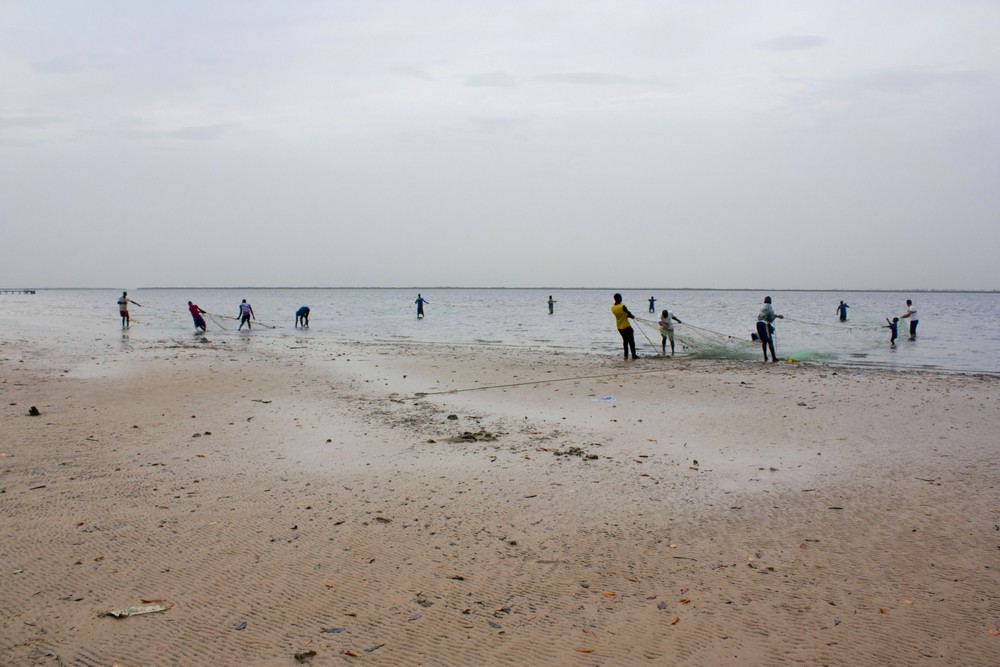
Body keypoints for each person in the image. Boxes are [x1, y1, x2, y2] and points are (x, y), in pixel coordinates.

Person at [755, 296, 784, 362]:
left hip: (758, 324)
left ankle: (765, 357)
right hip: (764, 324)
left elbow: (766, 314)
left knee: (764, 341)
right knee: (770, 341)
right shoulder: (769, 306)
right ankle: (774, 358)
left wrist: (777, 316)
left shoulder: (762, 306)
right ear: (770, 301)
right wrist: (778, 317)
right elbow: (771, 317)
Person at [611, 293, 639, 360]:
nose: (621, 298)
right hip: (626, 326)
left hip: (619, 327)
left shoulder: (612, 307)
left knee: (625, 340)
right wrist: (632, 316)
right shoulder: (622, 306)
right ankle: (634, 355)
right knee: (631, 341)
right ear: (619, 298)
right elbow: (628, 313)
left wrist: (627, 316)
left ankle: (626, 355)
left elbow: (620, 315)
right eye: (621, 297)